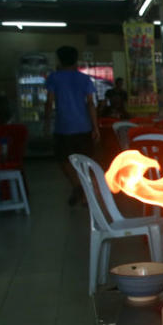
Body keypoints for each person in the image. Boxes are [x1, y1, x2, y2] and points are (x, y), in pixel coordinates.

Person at [45, 46, 99, 205]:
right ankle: (84, 191)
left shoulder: (53, 78)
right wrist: (95, 127)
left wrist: (47, 122)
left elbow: (49, 102)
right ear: (76, 60)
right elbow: (90, 104)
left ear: (59, 60)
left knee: (63, 161)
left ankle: (77, 187)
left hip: (63, 127)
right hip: (84, 126)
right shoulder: (84, 79)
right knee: (85, 161)